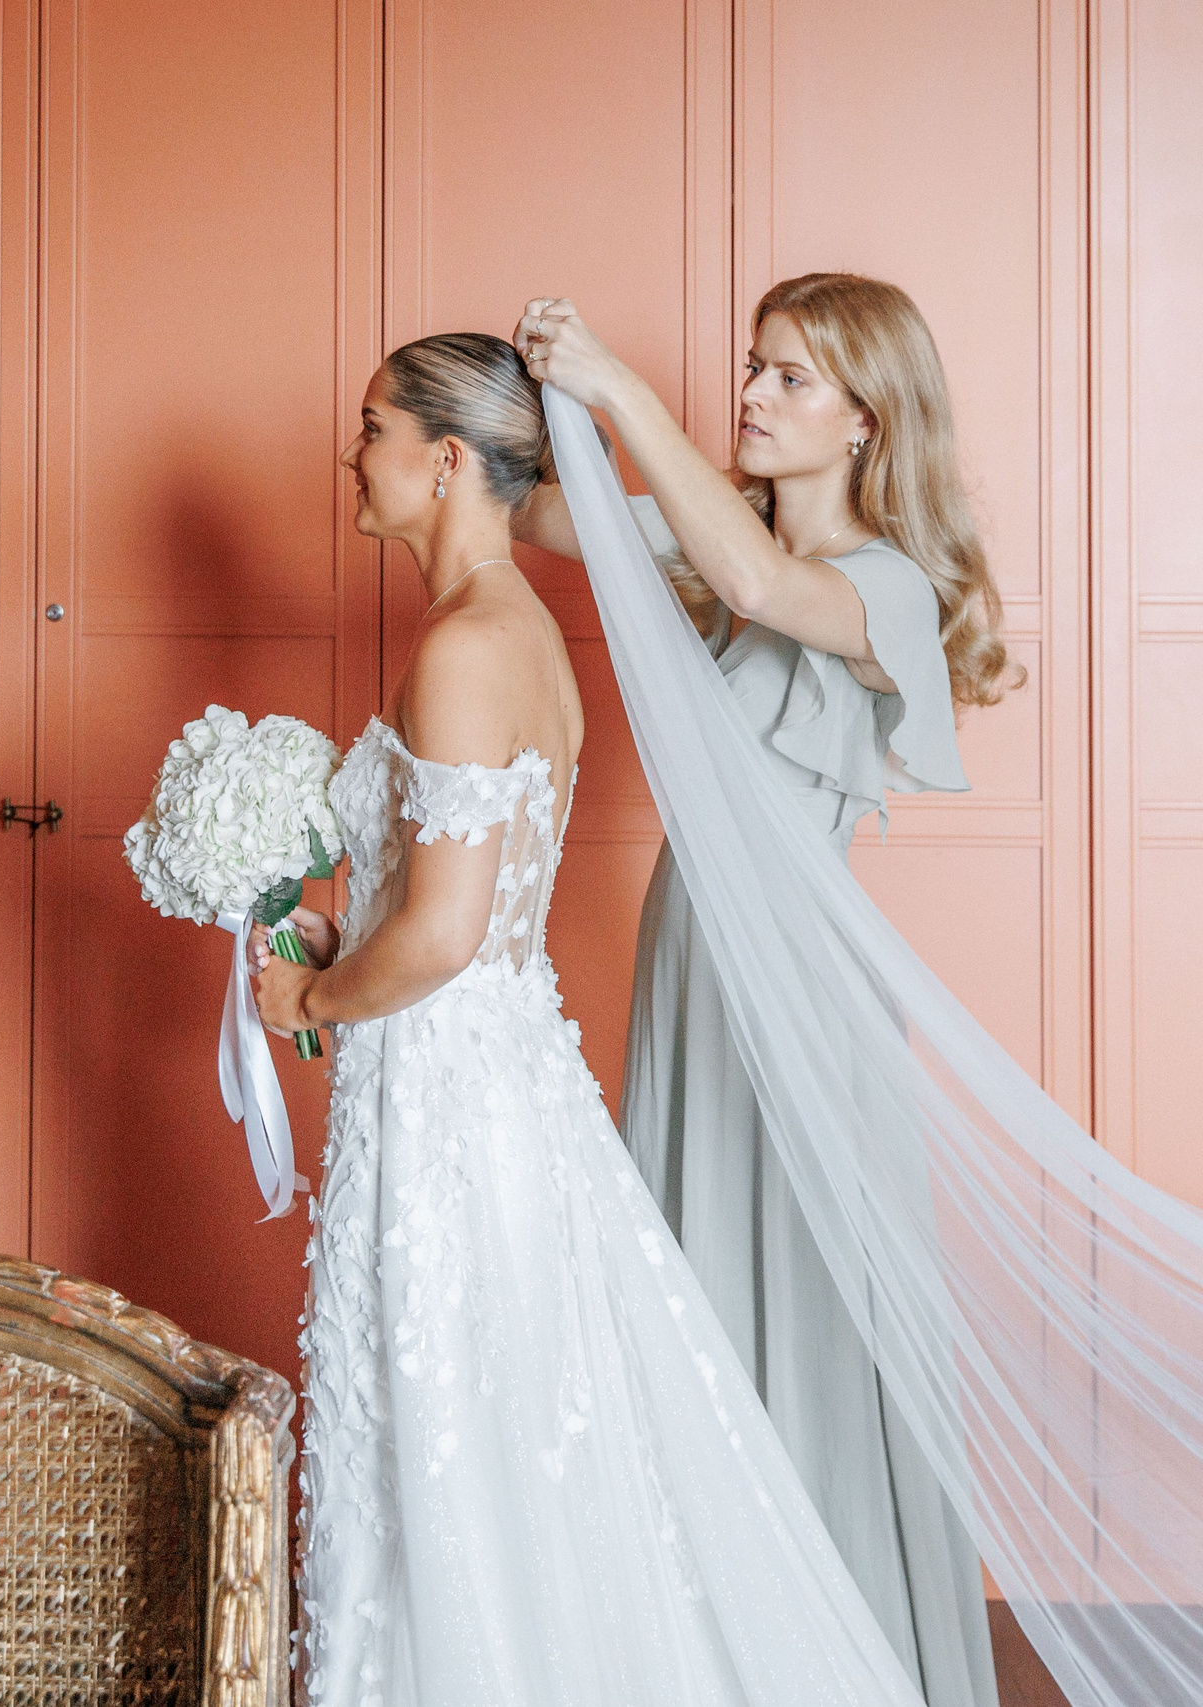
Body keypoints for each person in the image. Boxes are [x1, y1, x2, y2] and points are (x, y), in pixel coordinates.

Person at [250, 331, 930, 1706]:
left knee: (463, 1409)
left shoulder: (483, 643)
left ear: (442, 460)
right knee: (509, 1408)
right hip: (496, 1062)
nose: (347, 456)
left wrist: (314, 995)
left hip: (492, 1070)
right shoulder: (518, 629)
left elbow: (445, 934)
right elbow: (563, 521)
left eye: (373, 428)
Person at [509, 274, 1018, 1707]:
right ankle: (713, 1650)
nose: (752, 395)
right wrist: (508, 396)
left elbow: (756, 585)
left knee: (796, 1308)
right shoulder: (717, 539)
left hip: (794, 995)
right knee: (694, 1301)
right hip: (697, 970)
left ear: (866, 421)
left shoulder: (888, 588)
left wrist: (618, 388)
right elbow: (552, 517)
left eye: (791, 379)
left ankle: (833, 1654)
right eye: (754, 366)